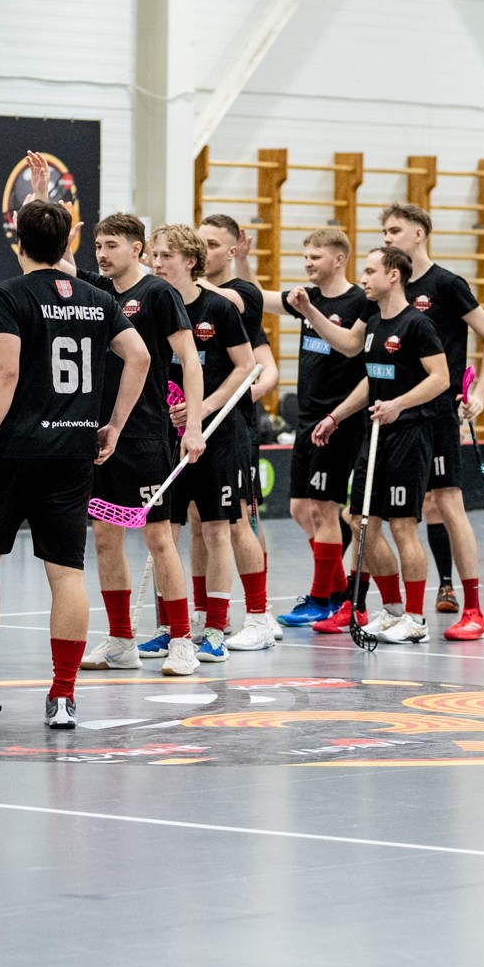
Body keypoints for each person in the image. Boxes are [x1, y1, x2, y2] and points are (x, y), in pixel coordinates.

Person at [0, 198, 149, 728]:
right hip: (74, 453)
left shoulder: (8, 295)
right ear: (69, 243)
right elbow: (140, 356)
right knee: (66, 571)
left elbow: (5, 372)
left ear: (18, 243)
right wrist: (115, 424)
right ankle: (63, 697)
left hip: (13, 450)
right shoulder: (99, 299)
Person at [74, 212, 207, 674]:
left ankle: (182, 640)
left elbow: (190, 360)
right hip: (100, 434)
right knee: (105, 537)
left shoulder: (158, 293)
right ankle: (120, 641)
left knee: (158, 538)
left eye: (111, 245)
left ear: (137, 249)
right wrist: (43, 199)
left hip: (146, 434)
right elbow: (56, 261)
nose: (101, 254)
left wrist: (194, 425)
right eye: (98, 245)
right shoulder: (97, 291)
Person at [309, 246, 448, 643]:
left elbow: (440, 378)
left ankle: (416, 619)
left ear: (393, 275)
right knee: (360, 521)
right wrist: (336, 416)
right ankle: (392, 610)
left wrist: (398, 405)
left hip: (409, 434)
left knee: (403, 525)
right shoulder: (372, 323)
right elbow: (372, 379)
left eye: (370, 271)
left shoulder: (417, 324)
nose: (363, 279)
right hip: (376, 435)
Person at [379, 203, 484, 639]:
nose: (387, 237)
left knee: (448, 504)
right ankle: (397, 610)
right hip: (396, 420)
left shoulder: (446, 284)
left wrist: (480, 394)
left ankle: (475, 612)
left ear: (419, 234)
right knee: (393, 515)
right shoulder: (389, 286)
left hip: (436, 416)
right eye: (384, 231)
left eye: (395, 230)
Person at [148, 225, 255, 660]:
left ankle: (215, 628)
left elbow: (246, 366)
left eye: (166, 256)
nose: (157, 264)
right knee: (165, 532)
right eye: (154, 255)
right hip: (162, 437)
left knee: (215, 528)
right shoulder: (151, 303)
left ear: (190, 261)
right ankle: (170, 627)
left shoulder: (218, 308)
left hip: (216, 435)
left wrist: (203, 408)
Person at [269, 229, 370, 630]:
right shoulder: (308, 298)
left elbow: (349, 345)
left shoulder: (359, 301)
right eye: (305, 257)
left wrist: (309, 311)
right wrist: (228, 270)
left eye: (315, 257)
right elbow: (256, 298)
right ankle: (338, 592)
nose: (308, 263)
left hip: (339, 420)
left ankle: (321, 599)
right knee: (299, 509)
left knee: (322, 509)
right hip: (307, 418)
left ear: (339, 259)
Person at [196, 215, 283, 650]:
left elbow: (266, 367)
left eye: (211, 245)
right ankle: (205, 613)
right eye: (198, 244)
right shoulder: (187, 301)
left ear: (231, 251)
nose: (202, 252)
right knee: (200, 522)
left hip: (233, 426)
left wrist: (238, 396)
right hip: (193, 425)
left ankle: (259, 614)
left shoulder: (240, 295)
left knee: (238, 521)